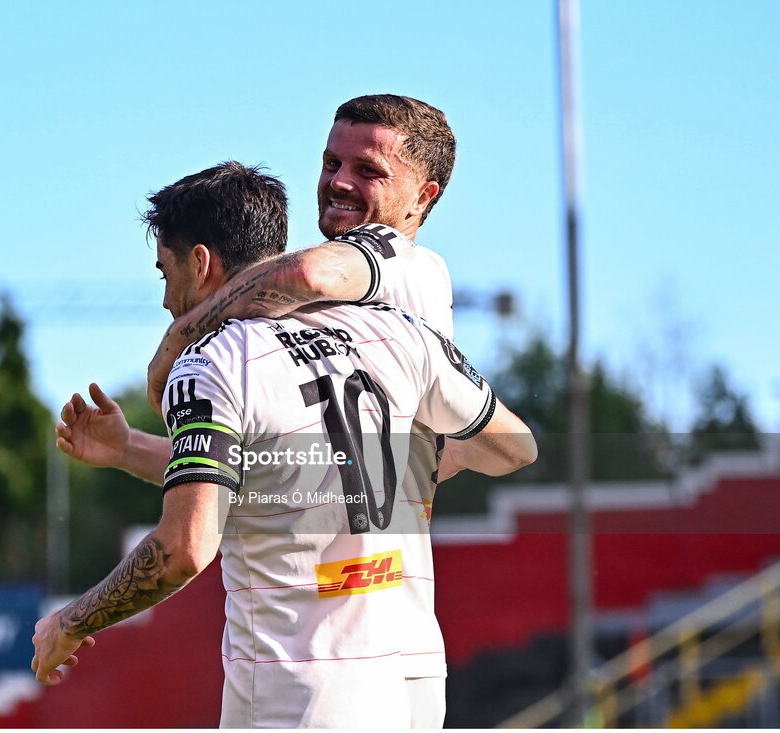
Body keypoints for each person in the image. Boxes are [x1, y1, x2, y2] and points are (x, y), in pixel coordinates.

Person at [33, 162, 537, 727]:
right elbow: (514, 447)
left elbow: (185, 548)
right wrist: (128, 451)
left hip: (292, 699)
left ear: (200, 264)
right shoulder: (394, 331)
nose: (166, 300)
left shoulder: (213, 360)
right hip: (409, 692)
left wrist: (71, 621)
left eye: (164, 274)